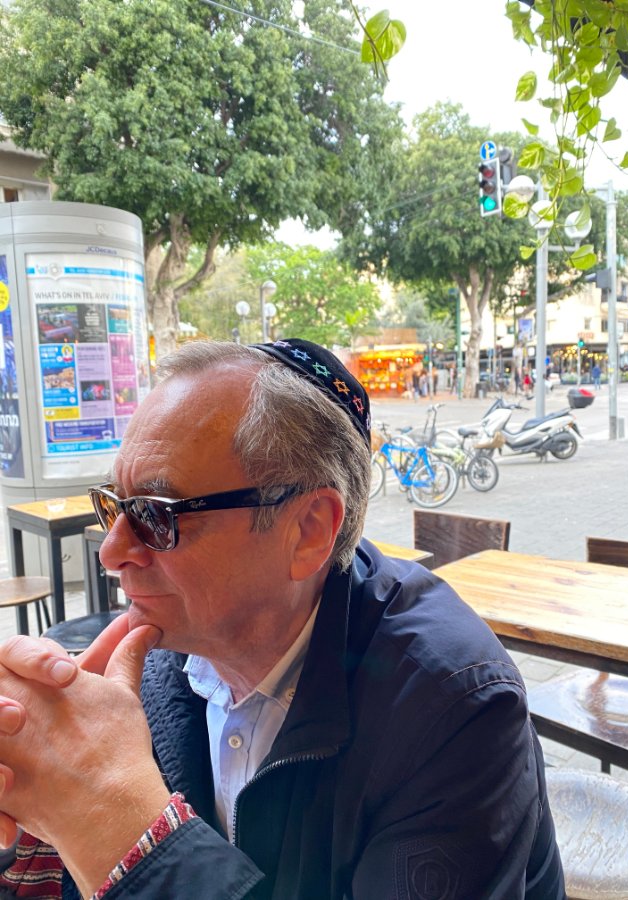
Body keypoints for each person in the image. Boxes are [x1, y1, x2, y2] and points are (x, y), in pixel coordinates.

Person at [0, 339, 565, 899]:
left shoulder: (454, 708)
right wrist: (32, 791)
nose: (111, 551)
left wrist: (114, 819)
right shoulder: (162, 652)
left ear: (309, 531)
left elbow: (128, 841)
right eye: (115, 506)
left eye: (155, 515)